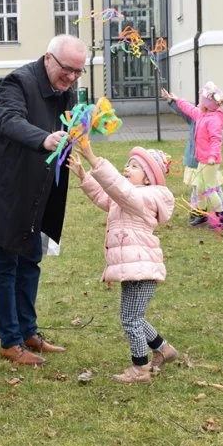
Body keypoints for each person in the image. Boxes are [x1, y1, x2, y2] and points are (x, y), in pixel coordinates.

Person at [0, 35, 85, 366]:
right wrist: (44, 138)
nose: (72, 78)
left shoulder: (67, 88)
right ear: (48, 58)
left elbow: (69, 123)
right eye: (68, 70)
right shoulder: (17, 83)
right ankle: (9, 342)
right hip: (2, 192)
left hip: (37, 191)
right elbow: (8, 120)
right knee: (5, 267)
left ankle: (28, 332)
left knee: (31, 261)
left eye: (79, 72)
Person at [68, 142, 177, 383]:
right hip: (133, 267)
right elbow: (105, 195)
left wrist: (93, 158)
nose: (127, 168)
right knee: (133, 317)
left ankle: (140, 369)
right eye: (127, 164)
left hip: (141, 267)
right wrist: (85, 175)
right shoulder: (127, 197)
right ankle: (163, 349)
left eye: (135, 166)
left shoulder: (146, 197)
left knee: (130, 319)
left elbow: (120, 190)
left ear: (148, 178)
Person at [161, 82, 223, 229]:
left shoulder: (214, 119)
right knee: (200, 188)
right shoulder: (201, 114)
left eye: (201, 100)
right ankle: (201, 214)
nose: (198, 103)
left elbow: (216, 140)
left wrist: (212, 156)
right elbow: (188, 108)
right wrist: (177, 99)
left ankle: (222, 217)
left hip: (211, 161)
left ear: (208, 104)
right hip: (201, 160)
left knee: (210, 188)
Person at [165, 90, 201, 226]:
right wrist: (171, 101)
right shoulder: (194, 119)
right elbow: (183, 111)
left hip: (205, 160)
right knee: (196, 187)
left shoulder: (208, 119)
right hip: (194, 159)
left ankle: (217, 213)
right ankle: (196, 211)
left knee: (208, 188)